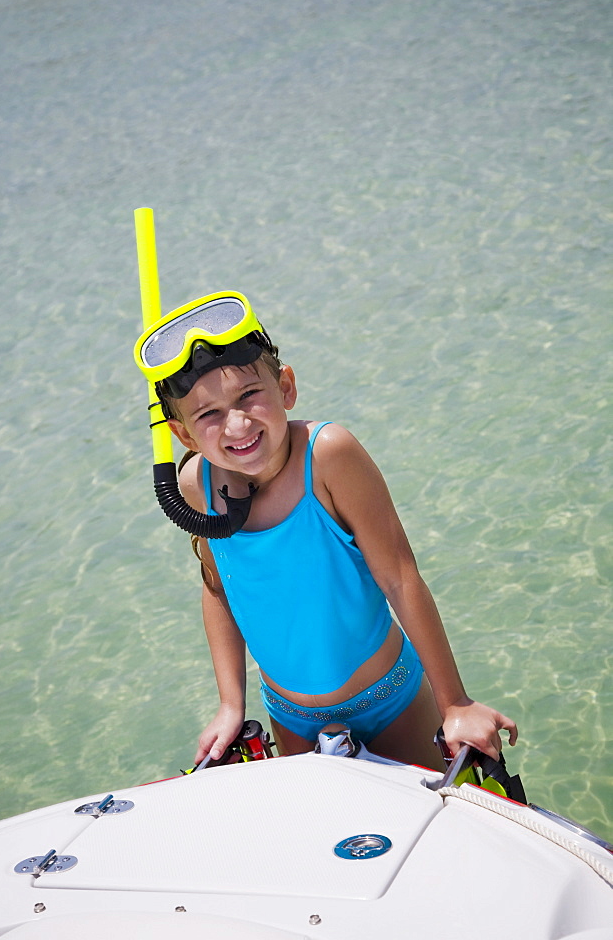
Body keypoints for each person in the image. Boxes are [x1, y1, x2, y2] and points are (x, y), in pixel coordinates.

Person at [139, 292, 517, 770]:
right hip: (291, 717)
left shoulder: (327, 457)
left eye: (249, 395)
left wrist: (455, 704)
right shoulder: (197, 487)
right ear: (183, 435)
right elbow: (218, 590)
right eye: (208, 414)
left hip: (388, 702)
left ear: (286, 387)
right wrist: (230, 704)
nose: (236, 424)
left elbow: (400, 577)